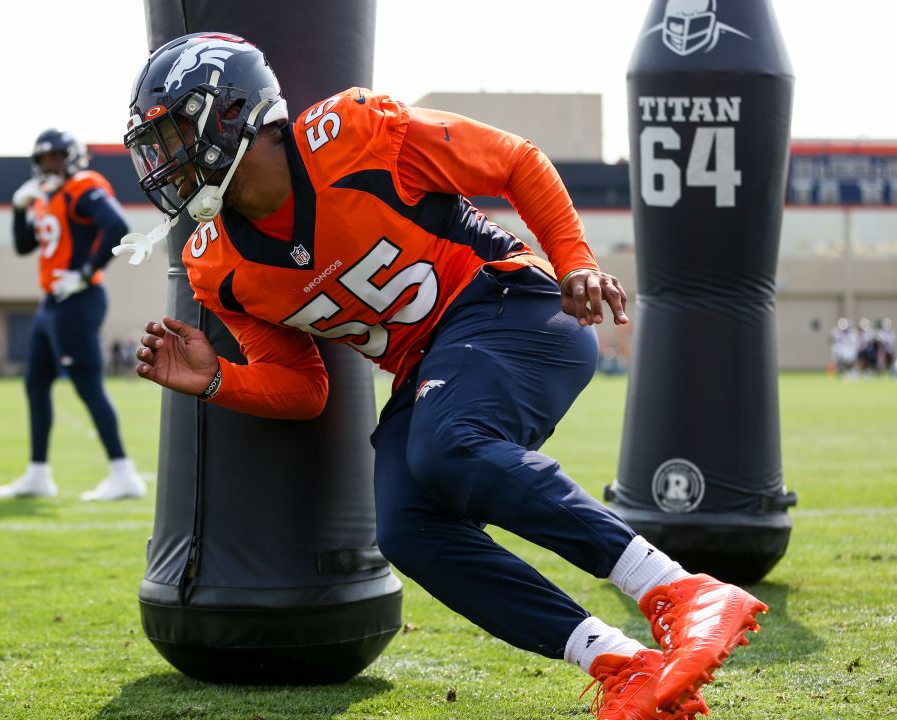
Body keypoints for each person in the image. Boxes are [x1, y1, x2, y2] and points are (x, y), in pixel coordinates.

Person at [118, 33, 765, 719]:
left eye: (177, 133)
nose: (167, 162)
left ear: (232, 112)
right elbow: (305, 389)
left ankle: (678, 589)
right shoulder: (216, 265)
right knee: (405, 526)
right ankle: (619, 663)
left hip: (512, 308)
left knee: (444, 444)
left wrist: (573, 259)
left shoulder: (351, 132)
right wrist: (220, 379)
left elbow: (515, 160)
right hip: (429, 367)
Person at [0, 129, 145, 501]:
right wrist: (18, 210)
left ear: (70, 157)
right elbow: (24, 245)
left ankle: (123, 473)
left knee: (88, 385)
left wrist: (88, 271)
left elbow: (118, 226)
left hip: (80, 298)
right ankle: (38, 473)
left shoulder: (82, 185)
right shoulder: (46, 198)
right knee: (35, 384)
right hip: (52, 303)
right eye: (43, 160)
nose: (48, 166)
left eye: (54, 158)